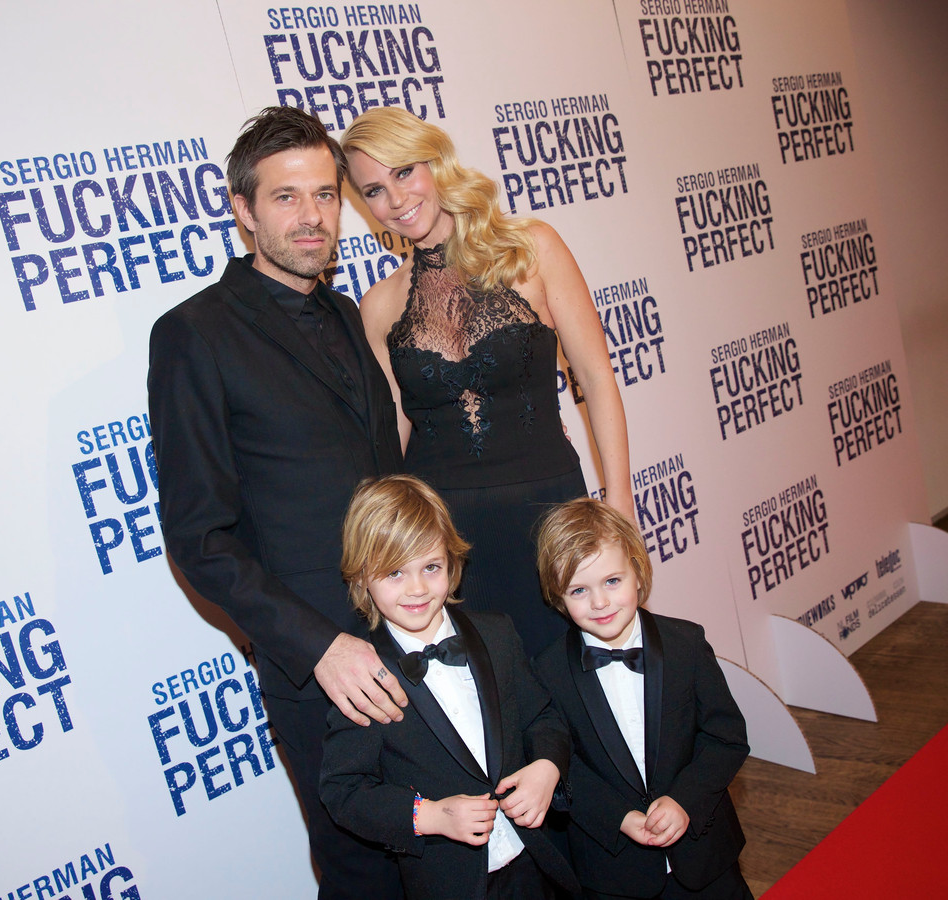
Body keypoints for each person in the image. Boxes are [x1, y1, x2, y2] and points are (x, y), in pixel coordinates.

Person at [147, 106, 406, 900]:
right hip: (320, 667)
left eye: (325, 195)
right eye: (286, 197)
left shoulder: (345, 311)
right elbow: (200, 537)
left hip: (410, 630)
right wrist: (320, 647)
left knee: (438, 854)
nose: (311, 216)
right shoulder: (193, 334)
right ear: (244, 209)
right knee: (364, 873)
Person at [341, 106, 634, 657]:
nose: (396, 199)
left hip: (550, 509)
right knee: (491, 685)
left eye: (404, 172)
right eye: (374, 190)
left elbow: (596, 378)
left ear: (435, 162)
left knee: (576, 672)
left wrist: (618, 500)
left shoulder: (532, 249)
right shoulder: (379, 305)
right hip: (447, 536)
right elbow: (393, 437)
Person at [319, 474, 580, 900]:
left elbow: (543, 716)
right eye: (395, 572)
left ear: (452, 564)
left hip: (535, 863)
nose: (417, 588)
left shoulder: (497, 634)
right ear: (363, 578)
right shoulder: (363, 678)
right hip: (449, 884)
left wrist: (548, 767)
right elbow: (343, 791)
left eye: (431, 567)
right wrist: (430, 816)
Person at [530, 499, 751, 900]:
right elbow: (562, 768)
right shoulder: (547, 672)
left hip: (706, 860)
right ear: (557, 596)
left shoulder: (686, 643)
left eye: (612, 581)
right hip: (614, 873)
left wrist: (685, 801)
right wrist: (618, 817)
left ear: (637, 571)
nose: (599, 602)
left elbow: (727, 738)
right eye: (579, 590)